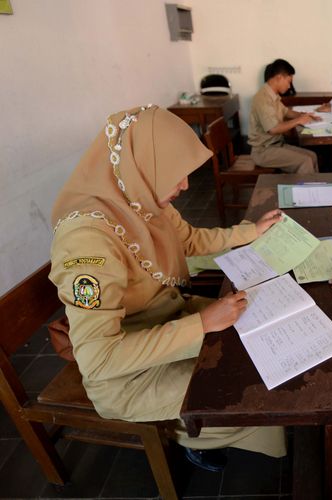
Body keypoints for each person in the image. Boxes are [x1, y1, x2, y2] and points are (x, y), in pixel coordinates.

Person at [48, 105, 287, 472]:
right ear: (142, 165)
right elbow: (99, 361)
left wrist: (249, 232)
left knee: (259, 339)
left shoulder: (137, 194)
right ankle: (192, 436)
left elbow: (189, 239)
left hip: (166, 317)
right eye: (176, 176)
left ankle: (208, 426)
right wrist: (203, 324)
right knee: (246, 390)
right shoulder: (86, 244)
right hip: (126, 376)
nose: (185, 186)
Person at [248, 59, 320, 173]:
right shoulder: (262, 98)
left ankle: (315, 188)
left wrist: (305, 115)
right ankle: (304, 190)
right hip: (264, 151)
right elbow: (273, 129)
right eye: (288, 81)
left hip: (276, 145)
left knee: (312, 156)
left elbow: (286, 112)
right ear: (279, 77)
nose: (289, 86)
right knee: (305, 161)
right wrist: (298, 121)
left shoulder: (272, 95)